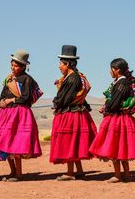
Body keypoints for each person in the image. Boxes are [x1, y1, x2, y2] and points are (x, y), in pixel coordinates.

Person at [89, 58, 135, 183]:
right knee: (122, 148)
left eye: (111, 69)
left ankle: (118, 175)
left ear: (117, 70)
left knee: (115, 147)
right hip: (123, 119)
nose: (110, 71)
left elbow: (114, 103)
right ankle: (127, 174)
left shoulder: (121, 84)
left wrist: (107, 107)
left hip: (117, 119)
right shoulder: (124, 82)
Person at [0, 49, 43, 182]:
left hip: (20, 113)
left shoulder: (27, 79)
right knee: (3, 140)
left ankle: (19, 174)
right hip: (6, 113)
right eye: (12, 64)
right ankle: (12, 171)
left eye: (16, 65)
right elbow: (2, 94)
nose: (13, 67)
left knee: (15, 142)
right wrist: (1, 101)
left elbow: (26, 98)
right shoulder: (8, 79)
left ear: (24, 66)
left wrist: (11, 100)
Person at [50, 45, 97, 181]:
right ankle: (80, 171)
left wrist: (56, 103)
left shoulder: (72, 78)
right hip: (77, 113)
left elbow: (65, 98)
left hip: (71, 115)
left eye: (61, 64)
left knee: (69, 141)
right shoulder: (73, 76)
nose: (59, 66)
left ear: (68, 64)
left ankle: (70, 173)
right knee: (74, 142)